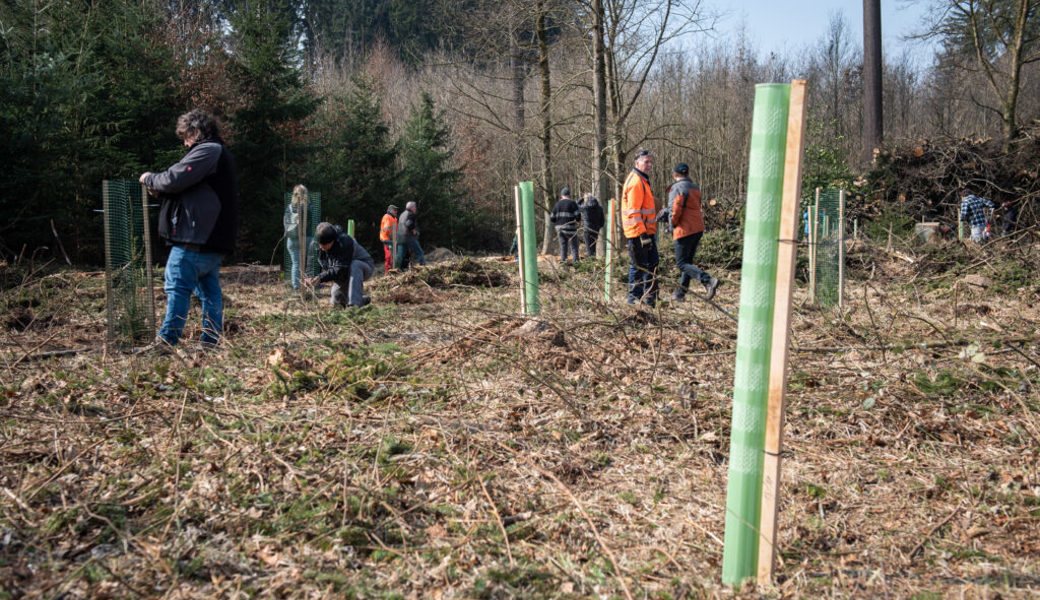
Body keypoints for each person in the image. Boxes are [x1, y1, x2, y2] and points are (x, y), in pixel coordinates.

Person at [139, 109, 237, 349]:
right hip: (213, 238)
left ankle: (166, 341)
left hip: (197, 237)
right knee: (209, 291)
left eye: (186, 136)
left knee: (177, 285)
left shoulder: (208, 150)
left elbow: (176, 178)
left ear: (197, 131)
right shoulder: (219, 153)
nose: (184, 143)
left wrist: (150, 179)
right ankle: (210, 343)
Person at [666, 163, 720, 302]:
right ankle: (680, 294)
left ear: (674, 174)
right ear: (687, 173)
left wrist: (672, 225)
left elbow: (675, 209)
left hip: (684, 229)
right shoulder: (695, 187)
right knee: (688, 262)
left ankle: (708, 280)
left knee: (681, 264)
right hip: (697, 228)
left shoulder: (676, 187)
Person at [621, 149, 659, 306]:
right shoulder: (636, 182)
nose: (649, 165)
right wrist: (643, 235)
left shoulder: (642, 180)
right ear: (637, 163)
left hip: (645, 232)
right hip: (638, 234)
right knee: (638, 267)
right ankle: (634, 300)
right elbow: (634, 212)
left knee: (651, 264)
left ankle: (650, 297)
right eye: (646, 162)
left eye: (650, 161)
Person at [305, 222, 374, 307]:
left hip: (364, 267)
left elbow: (340, 269)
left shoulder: (344, 242)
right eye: (319, 244)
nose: (320, 247)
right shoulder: (315, 244)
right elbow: (312, 263)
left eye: (324, 244)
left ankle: (354, 305)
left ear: (332, 241)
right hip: (342, 275)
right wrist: (310, 277)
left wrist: (320, 278)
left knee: (355, 264)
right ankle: (362, 300)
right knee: (336, 304)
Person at [284, 184, 311, 290]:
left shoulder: (289, 207)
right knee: (308, 262)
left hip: (291, 239)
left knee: (296, 264)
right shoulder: (308, 207)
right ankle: (310, 283)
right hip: (305, 238)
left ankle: (296, 286)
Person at [550, 187, 581, 261]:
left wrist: (558, 222)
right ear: (569, 195)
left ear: (561, 195)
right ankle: (575, 261)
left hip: (559, 228)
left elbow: (552, 218)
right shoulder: (573, 203)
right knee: (574, 246)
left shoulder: (557, 204)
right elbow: (578, 216)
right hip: (570, 227)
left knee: (563, 245)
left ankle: (563, 261)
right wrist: (576, 221)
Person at [396, 201, 425, 270]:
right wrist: (414, 231)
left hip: (400, 238)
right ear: (412, 207)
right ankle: (423, 267)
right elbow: (409, 224)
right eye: (415, 207)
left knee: (401, 256)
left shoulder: (402, 214)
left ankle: (397, 269)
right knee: (419, 252)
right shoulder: (410, 214)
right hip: (409, 238)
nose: (415, 209)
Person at [579, 193, 605, 257]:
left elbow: (576, 205)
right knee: (593, 246)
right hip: (596, 230)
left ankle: (591, 261)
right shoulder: (599, 208)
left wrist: (581, 199)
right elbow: (602, 221)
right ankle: (593, 259)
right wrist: (598, 227)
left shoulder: (585, 207)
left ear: (586, 199)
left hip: (587, 229)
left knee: (588, 247)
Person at [379, 204, 398, 274]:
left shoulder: (394, 218)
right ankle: (387, 273)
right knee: (389, 256)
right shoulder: (387, 217)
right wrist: (392, 238)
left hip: (392, 239)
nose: (396, 211)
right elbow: (387, 229)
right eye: (394, 210)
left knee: (392, 256)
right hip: (387, 239)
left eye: (396, 210)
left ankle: (392, 271)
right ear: (390, 210)